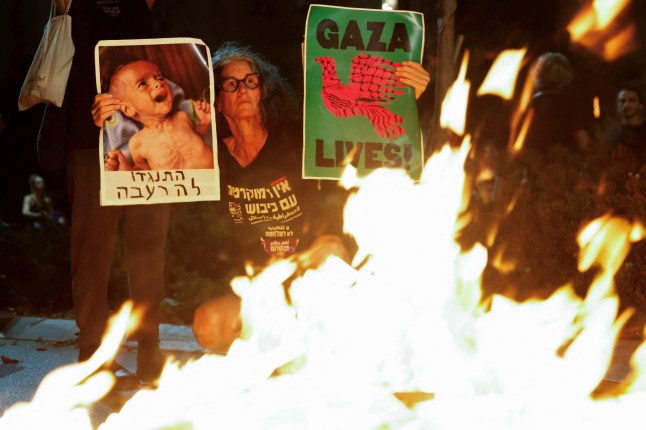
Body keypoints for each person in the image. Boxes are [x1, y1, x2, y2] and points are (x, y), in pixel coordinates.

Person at [193, 42, 430, 351]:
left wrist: (404, 100)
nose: (242, 90)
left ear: (263, 90)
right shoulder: (211, 157)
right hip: (262, 288)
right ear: (217, 101)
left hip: (318, 273)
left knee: (331, 251)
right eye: (230, 84)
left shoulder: (297, 138)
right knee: (207, 324)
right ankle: (280, 350)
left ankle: (326, 346)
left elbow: (358, 136)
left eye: (251, 81)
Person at [46, 0, 170, 386]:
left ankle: (148, 343)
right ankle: (92, 348)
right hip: (88, 138)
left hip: (146, 136)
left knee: (149, 243)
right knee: (92, 246)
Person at [100, 57, 214, 171]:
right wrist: (126, 169)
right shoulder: (138, 143)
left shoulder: (183, 117)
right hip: (179, 183)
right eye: (142, 84)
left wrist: (203, 123)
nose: (157, 83)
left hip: (209, 177)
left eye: (160, 78)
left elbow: (199, 138)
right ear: (128, 109)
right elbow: (144, 172)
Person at [523, 52, 593, 155]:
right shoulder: (572, 101)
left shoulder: (531, 104)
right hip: (567, 160)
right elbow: (582, 140)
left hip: (536, 161)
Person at [608, 87, 646, 168]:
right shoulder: (614, 135)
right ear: (617, 106)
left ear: (640, 105)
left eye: (631, 101)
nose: (626, 105)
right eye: (622, 101)